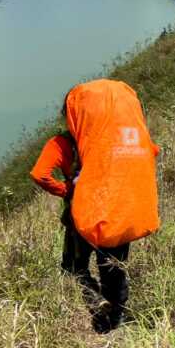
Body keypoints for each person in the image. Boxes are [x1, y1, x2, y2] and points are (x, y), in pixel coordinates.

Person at [46, 79, 160, 333]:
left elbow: (41, 174)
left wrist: (68, 190)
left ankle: (111, 319)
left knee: (93, 266)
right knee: (114, 264)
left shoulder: (77, 143)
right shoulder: (115, 139)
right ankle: (116, 313)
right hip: (124, 205)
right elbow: (152, 150)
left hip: (92, 212)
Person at [30, 129, 101, 301]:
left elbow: (39, 175)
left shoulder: (61, 143)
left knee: (74, 266)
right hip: (111, 207)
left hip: (79, 213)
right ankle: (116, 308)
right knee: (111, 262)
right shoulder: (105, 135)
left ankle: (92, 301)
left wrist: (68, 190)